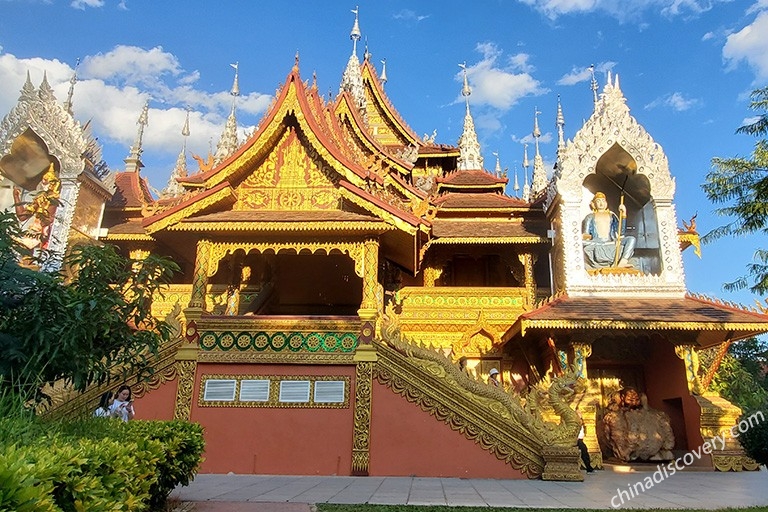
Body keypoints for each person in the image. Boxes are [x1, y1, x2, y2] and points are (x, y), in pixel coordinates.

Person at [582, 191, 635, 269]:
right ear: (593, 204)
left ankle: (623, 262)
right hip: (597, 242)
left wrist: (623, 215)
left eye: (603, 201)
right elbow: (586, 235)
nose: (601, 203)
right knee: (580, 243)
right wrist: (583, 237)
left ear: (606, 203)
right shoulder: (589, 217)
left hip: (611, 242)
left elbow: (621, 232)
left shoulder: (612, 216)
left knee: (631, 239)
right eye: (598, 201)